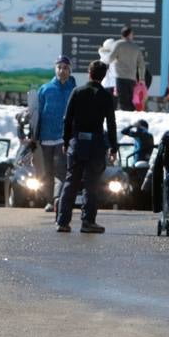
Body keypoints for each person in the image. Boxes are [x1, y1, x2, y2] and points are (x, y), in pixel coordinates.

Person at [57, 59, 117, 234]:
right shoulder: (106, 96)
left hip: (77, 143)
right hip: (96, 145)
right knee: (91, 184)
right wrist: (113, 147)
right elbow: (111, 124)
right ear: (103, 76)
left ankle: (63, 221)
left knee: (71, 181)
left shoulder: (77, 91)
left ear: (89, 74)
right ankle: (88, 221)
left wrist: (66, 140)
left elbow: (67, 119)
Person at [30, 56, 77, 212]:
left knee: (61, 171)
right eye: (59, 67)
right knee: (46, 173)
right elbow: (36, 114)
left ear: (70, 70)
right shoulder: (45, 89)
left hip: (63, 138)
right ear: (55, 69)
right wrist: (34, 137)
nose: (62, 70)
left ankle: (58, 199)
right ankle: (50, 200)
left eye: (65, 67)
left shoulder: (73, 90)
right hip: (45, 138)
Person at [108, 26, 146, 113]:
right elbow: (141, 65)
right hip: (132, 78)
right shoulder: (136, 47)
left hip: (120, 77)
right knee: (131, 101)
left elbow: (110, 58)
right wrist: (141, 78)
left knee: (122, 101)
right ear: (130, 34)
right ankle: (131, 120)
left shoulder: (118, 44)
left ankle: (124, 121)